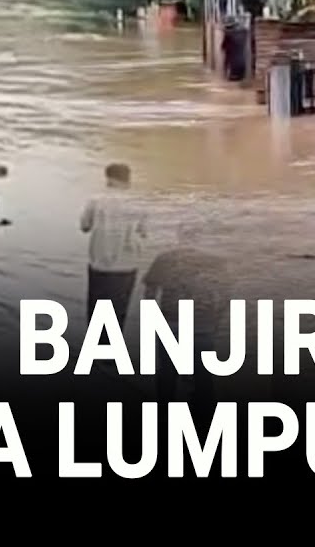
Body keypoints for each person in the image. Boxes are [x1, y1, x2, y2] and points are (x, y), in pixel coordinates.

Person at [141, 247, 229, 418]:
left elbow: (150, 292)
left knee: (167, 373)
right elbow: (226, 296)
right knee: (203, 377)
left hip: (172, 321)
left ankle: (163, 417)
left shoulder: (165, 257)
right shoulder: (216, 261)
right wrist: (215, 322)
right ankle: (205, 420)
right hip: (202, 324)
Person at [80, 163, 147, 327]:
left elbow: (84, 226)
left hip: (100, 264)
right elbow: (144, 232)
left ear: (108, 178)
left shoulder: (95, 200)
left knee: (96, 314)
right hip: (127, 265)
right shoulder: (140, 203)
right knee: (118, 314)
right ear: (128, 179)